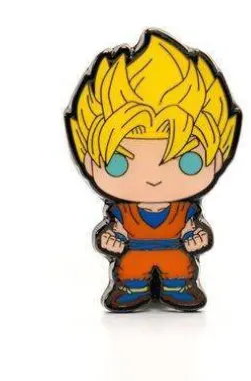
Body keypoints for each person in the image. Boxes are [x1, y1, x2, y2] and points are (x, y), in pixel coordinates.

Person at [65, 29, 241, 312]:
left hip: (176, 256)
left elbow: (195, 228)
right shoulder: (121, 212)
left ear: (218, 158)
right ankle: (130, 289)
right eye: (119, 164)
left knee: (178, 270)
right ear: (88, 161)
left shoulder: (186, 210)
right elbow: (113, 230)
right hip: (133, 258)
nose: (153, 178)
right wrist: (110, 239)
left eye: (188, 162)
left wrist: (198, 237)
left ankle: (179, 288)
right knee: (131, 272)